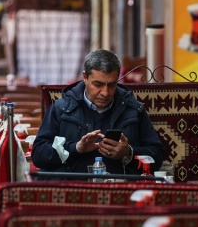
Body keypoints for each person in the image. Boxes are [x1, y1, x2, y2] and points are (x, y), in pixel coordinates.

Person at [31, 49, 165, 175]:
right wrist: (76, 148)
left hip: (122, 189)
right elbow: (38, 155)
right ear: (85, 77)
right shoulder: (61, 108)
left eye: (112, 85)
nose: (105, 93)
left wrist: (128, 153)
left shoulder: (134, 110)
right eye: (98, 84)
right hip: (74, 189)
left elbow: (157, 155)